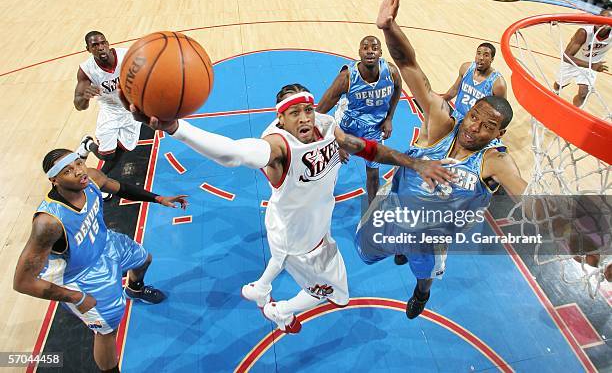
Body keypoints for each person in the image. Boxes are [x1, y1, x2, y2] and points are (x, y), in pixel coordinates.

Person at [121, 84, 455, 333]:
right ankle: (277, 308)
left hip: (306, 225)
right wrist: (176, 128)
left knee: (317, 276)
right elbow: (232, 153)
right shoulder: (278, 146)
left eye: (307, 110)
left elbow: (364, 147)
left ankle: (264, 291)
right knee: (337, 294)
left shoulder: (325, 127)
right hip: (298, 236)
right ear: (280, 119)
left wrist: (413, 163)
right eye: (295, 113)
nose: (305, 117)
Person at [356, 0, 533, 320]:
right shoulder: (440, 123)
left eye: (486, 127)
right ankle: (399, 250)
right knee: (371, 247)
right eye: (474, 117)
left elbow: (528, 194)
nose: (474, 127)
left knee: (423, 273)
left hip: (432, 235)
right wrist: (389, 27)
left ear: (499, 134)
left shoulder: (495, 160)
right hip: (393, 212)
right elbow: (409, 66)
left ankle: (422, 292)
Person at [13, 150, 187, 372]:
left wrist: (158, 198)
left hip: (105, 244)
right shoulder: (48, 223)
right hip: (81, 276)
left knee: (144, 259)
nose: (78, 171)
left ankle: (134, 289)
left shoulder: (92, 178)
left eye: (78, 163)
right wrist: (76, 297)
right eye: (68, 171)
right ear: (54, 180)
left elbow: (121, 188)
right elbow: (23, 282)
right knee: (107, 331)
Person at [316, 36, 401, 204]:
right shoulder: (347, 77)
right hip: (346, 125)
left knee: (373, 172)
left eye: (374, 48)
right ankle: (319, 198)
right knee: (330, 165)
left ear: (380, 53)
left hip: (374, 129)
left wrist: (389, 118)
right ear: (359, 52)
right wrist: (336, 143)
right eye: (365, 48)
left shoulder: (391, 72)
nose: (370, 51)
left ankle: (372, 212)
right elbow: (321, 110)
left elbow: (398, 89)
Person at [74, 31, 141, 188]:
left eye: (103, 43)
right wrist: (85, 96)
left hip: (131, 107)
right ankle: (88, 146)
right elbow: (78, 105)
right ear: (88, 49)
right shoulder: (86, 70)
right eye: (95, 45)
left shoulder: (128, 56)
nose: (100, 48)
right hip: (110, 109)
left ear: (108, 43)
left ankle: (100, 176)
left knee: (124, 149)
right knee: (107, 155)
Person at [553, 8, 612, 107]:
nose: (603, 22)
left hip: (592, 65)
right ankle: (555, 92)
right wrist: (592, 65)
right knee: (560, 84)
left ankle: (575, 112)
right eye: (602, 18)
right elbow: (566, 56)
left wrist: (592, 66)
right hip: (573, 61)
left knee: (583, 94)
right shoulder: (584, 32)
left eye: (608, 20)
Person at [442, 43, 507, 119]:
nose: (481, 58)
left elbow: (502, 111)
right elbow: (454, 89)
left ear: (492, 59)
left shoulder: (498, 84)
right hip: (456, 115)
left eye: (486, 55)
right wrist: (441, 101)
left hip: (476, 124)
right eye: (479, 53)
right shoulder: (466, 68)